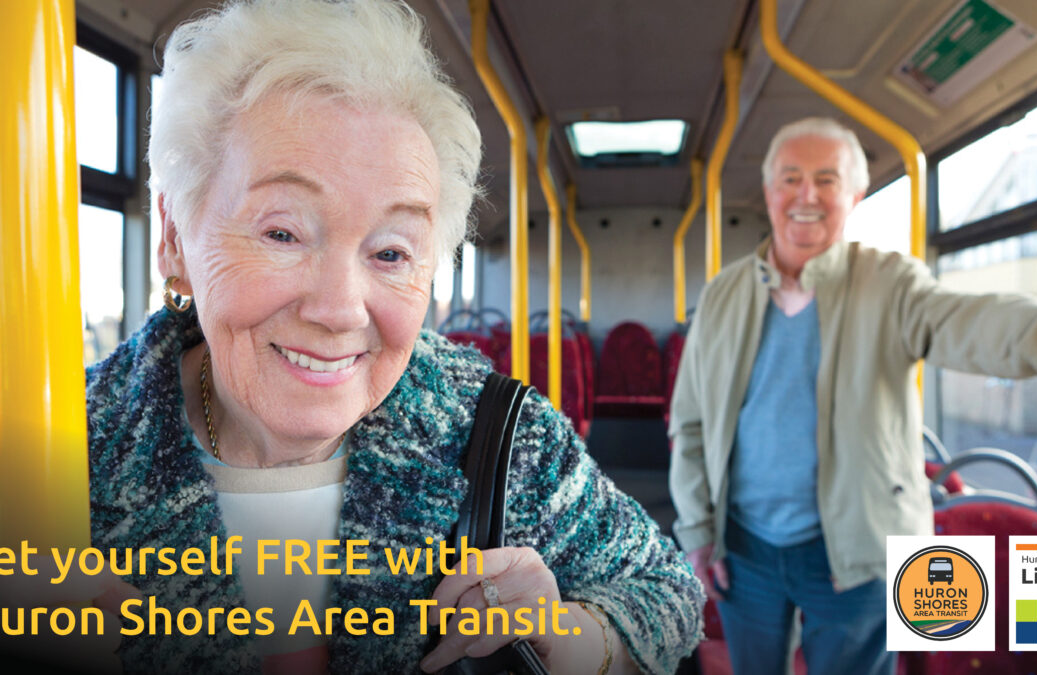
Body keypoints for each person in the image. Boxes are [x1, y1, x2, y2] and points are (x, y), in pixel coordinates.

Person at [69, 1, 704, 672]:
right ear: (172, 236)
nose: (340, 309)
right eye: (282, 232)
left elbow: (668, 592)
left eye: (392, 253)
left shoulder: (499, 434)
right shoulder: (61, 456)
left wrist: (575, 636)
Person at [667, 116, 1037, 675]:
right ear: (767, 193)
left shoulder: (891, 284)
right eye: (789, 178)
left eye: (827, 179)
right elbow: (690, 422)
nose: (806, 195)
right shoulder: (723, 296)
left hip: (858, 552)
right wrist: (696, 530)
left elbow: (983, 326)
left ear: (855, 195)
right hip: (745, 549)